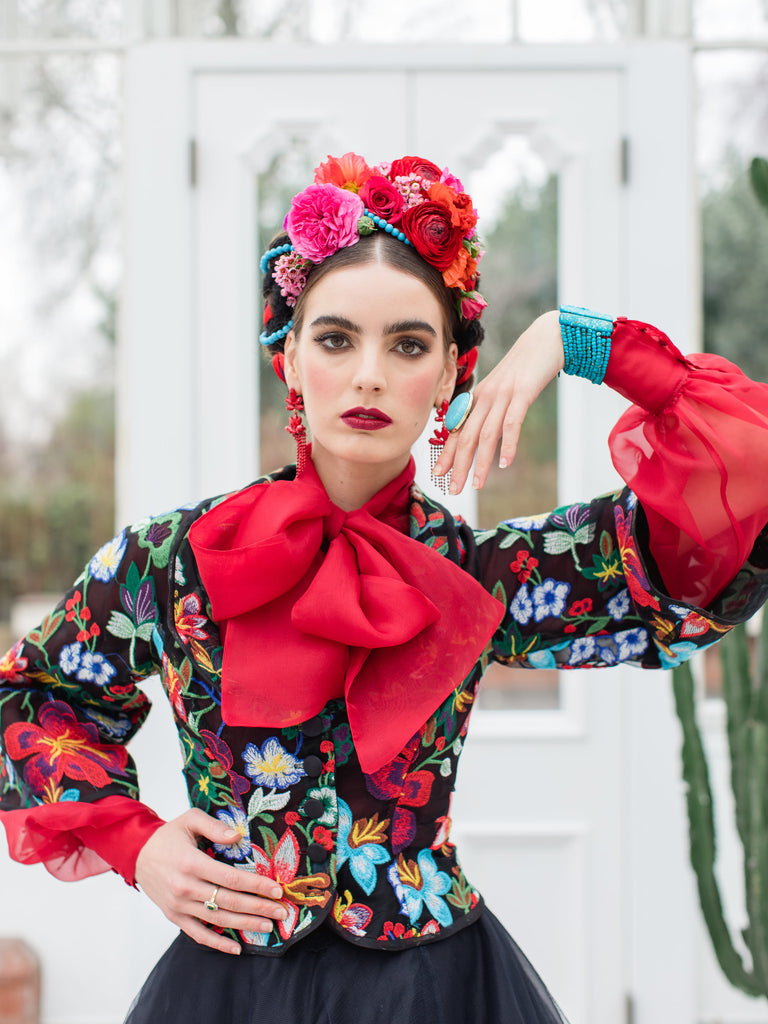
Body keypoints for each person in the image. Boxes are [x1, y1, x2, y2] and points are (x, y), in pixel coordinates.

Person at [1, 151, 768, 1024]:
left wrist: (578, 339)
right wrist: (137, 847)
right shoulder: (176, 561)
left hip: (437, 992)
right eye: (335, 339)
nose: (368, 373)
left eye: (408, 344)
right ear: (288, 359)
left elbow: (740, 488)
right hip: (225, 992)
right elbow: (30, 695)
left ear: (448, 374)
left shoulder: (483, 577)